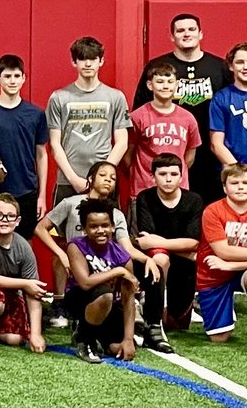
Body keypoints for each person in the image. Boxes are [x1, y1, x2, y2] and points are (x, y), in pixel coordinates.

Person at [36, 161, 160, 328]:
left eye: (113, 178)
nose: (108, 180)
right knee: (61, 255)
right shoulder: (71, 203)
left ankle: (146, 320)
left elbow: (126, 248)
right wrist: (62, 254)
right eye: (103, 175)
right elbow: (41, 228)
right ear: (91, 178)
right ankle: (59, 305)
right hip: (75, 262)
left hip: (101, 265)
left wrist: (148, 260)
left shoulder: (116, 214)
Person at [134, 13, 232, 204]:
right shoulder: (157, 66)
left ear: (200, 34)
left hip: (211, 156)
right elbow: (138, 116)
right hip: (170, 157)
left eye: (191, 29)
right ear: (172, 37)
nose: (186, 34)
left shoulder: (219, 67)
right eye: (180, 30)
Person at [194, 163, 247, 358]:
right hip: (213, 274)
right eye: (234, 183)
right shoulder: (213, 211)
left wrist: (231, 265)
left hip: (243, 270)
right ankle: (203, 303)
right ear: (225, 187)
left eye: (245, 182)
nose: (240, 187)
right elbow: (222, 250)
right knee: (220, 337)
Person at [47, 36, 131, 204]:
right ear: (74, 62)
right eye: (83, 59)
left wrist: (102, 175)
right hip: (68, 181)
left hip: (104, 184)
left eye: (93, 59)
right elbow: (55, 144)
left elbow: (122, 142)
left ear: (101, 61)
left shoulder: (116, 97)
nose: (88, 64)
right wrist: (74, 179)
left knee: (105, 230)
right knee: (63, 231)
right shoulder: (58, 98)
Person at [0, 55, 48, 238]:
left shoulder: (36, 114)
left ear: (23, 78)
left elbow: (41, 155)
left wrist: (42, 195)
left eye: (16, 76)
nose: (12, 81)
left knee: (25, 244)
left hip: (26, 190)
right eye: (7, 76)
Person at [134, 153, 202, 345]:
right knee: (160, 257)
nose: (168, 179)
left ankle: (163, 310)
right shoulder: (145, 197)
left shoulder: (193, 200)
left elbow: (194, 243)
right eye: (162, 174)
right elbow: (147, 242)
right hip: (158, 261)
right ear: (153, 176)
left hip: (185, 265)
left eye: (173, 174)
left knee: (177, 324)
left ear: (181, 176)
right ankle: (153, 317)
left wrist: (161, 241)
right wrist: (181, 246)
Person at [65, 198, 139, 363]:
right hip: (80, 299)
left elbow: (128, 299)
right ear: (84, 229)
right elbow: (85, 282)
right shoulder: (76, 246)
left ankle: (98, 336)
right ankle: (85, 339)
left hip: (110, 306)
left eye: (105, 225)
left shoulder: (122, 255)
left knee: (117, 348)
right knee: (105, 294)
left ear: (113, 227)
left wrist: (128, 339)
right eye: (93, 226)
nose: (100, 230)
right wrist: (117, 271)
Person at [0, 193, 46, 353]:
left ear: (18, 221)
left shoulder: (23, 247)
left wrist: (36, 334)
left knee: (15, 339)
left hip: (11, 296)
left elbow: (33, 291)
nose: (4, 220)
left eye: (10, 216)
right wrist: (23, 283)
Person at [126, 62, 200, 204]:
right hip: (144, 189)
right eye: (159, 82)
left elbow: (189, 156)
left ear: (176, 85)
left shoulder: (188, 118)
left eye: (170, 82)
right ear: (150, 85)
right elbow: (128, 154)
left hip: (178, 191)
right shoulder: (137, 116)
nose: (165, 86)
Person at [210, 42, 247, 207]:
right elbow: (216, 144)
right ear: (231, 66)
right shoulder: (221, 99)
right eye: (240, 62)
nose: (245, 67)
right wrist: (245, 177)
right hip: (233, 179)